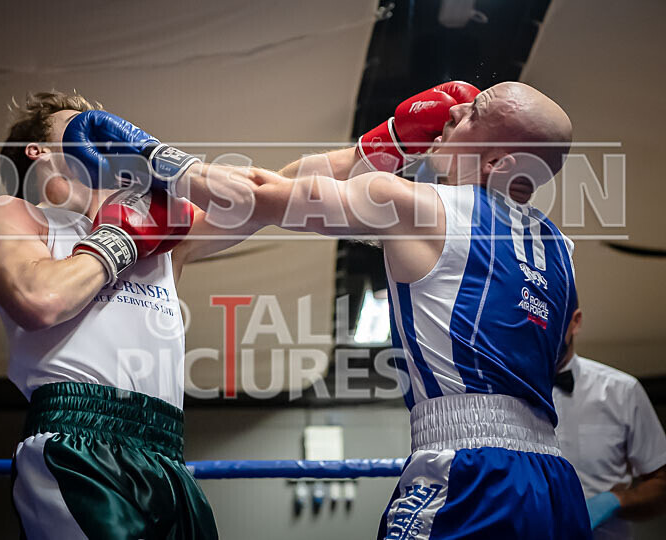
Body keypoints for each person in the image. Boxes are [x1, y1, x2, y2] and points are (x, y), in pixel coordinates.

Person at [63, 80, 590, 538]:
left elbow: (261, 196)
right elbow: (554, 351)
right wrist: (388, 143)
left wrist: (156, 158)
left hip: (473, 474)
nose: (456, 108)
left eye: (475, 113)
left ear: (498, 160)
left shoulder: (416, 205)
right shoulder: (561, 250)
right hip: (558, 483)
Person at [0, 91, 256, 539]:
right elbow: (39, 298)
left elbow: (254, 202)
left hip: (168, 454)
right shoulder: (18, 215)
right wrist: (119, 238)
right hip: (76, 442)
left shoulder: (164, 232)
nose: (102, 135)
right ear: (38, 151)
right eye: (83, 126)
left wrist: (173, 168)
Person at [554, 306, 666, 539]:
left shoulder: (623, 391)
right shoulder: (504, 393)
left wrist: (617, 500)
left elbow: (661, 482)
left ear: (575, 322)